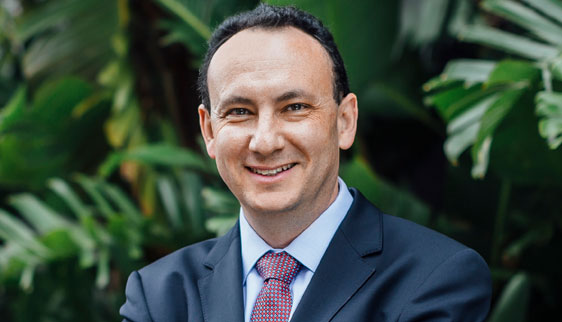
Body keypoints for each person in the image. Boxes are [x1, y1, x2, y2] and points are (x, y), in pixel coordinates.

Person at [120, 4, 491, 322]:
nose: (265, 141)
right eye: (239, 111)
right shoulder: (159, 296)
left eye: (294, 108)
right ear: (209, 131)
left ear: (345, 121)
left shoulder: (436, 277)